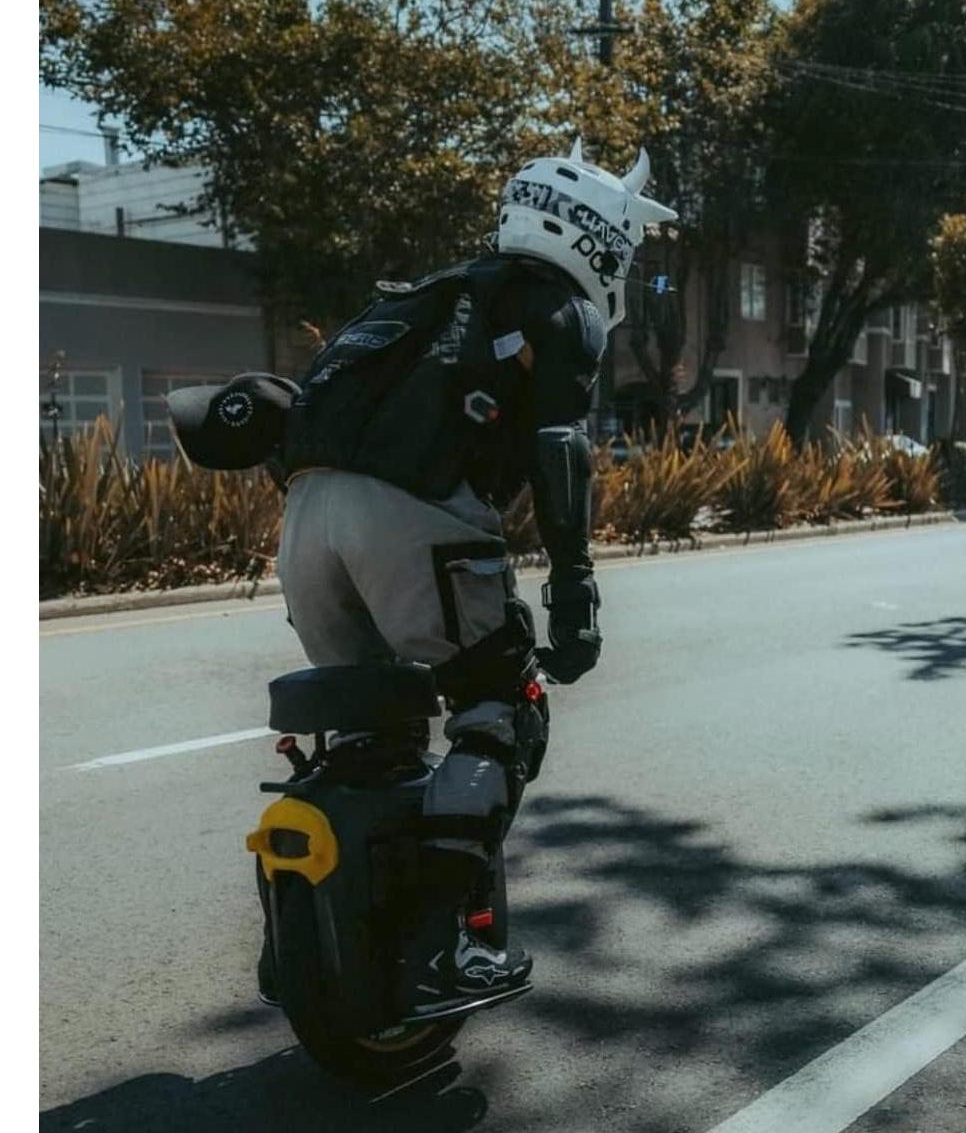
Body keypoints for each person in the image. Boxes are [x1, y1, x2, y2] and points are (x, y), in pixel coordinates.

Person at [168, 137, 676, 1018]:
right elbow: (559, 446)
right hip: (412, 520)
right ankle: (439, 950)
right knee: (499, 714)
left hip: (305, 525)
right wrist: (573, 588)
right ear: (596, 235)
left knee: (371, 736)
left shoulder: (418, 301)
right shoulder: (552, 304)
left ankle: (300, 946)